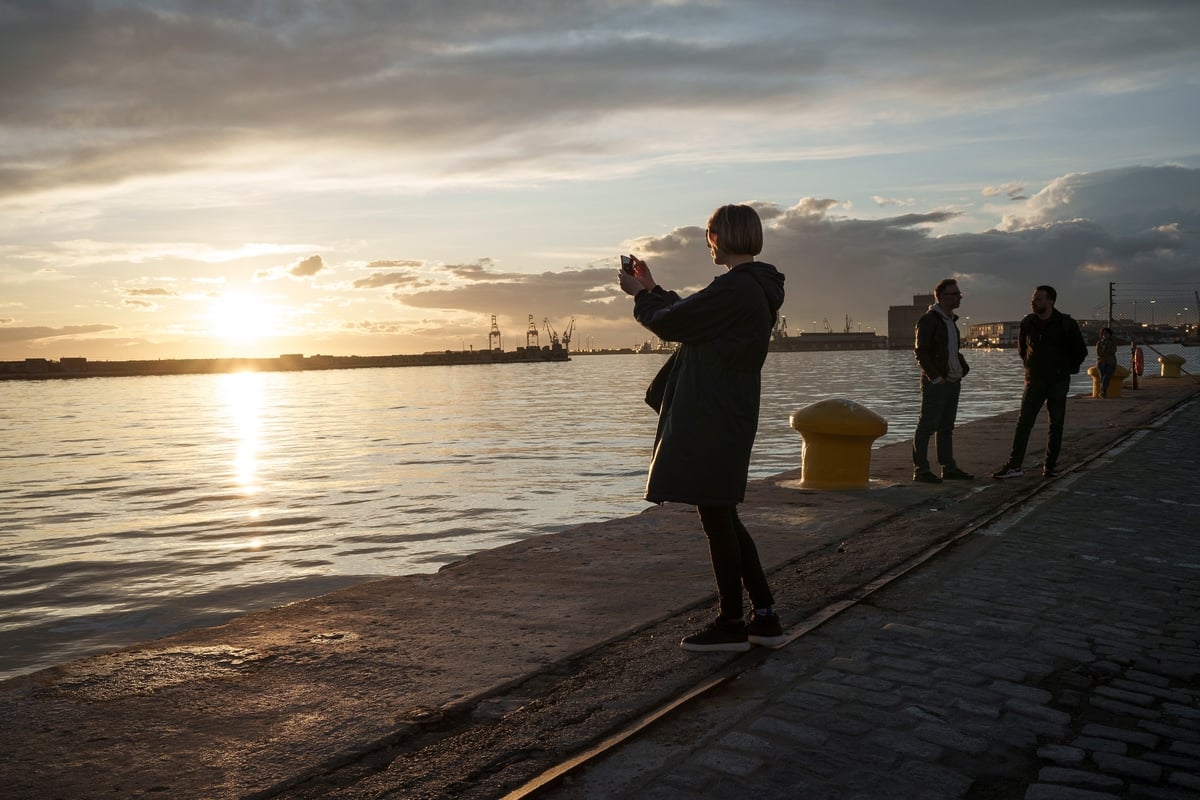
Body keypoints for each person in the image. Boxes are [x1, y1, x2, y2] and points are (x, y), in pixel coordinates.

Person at [618, 204, 786, 653]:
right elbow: (694, 315)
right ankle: (764, 616)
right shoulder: (754, 287)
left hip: (711, 412)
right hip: (728, 409)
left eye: (709, 234)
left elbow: (670, 323)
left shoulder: (736, 289)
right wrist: (653, 287)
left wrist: (639, 296)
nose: (707, 242)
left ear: (722, 237)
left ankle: (732, 622)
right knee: (723, 512)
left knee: (717, 516)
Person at [992, 285, 1088, 480]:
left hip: (1058, 381)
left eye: (1038, 299)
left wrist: (1065, 368)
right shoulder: (1028, 322)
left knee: (1056, 424)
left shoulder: (1066, 323)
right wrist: (1030, 366)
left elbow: (1080, 351)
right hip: (1034, 380)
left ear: (1050, 301)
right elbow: (1022, 349)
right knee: (1024, 423)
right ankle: (1014, 466)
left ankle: (1050, 466)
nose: (1033, 301)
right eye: (1033, 298)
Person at [912, 278, 973, 483]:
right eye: (955, 294)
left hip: (952, 381)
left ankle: (948, 467)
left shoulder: (950, 321)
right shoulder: (930, 320)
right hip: (937, 382)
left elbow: (951, 352)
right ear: (942, 297)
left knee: (946, 427)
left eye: (959, 294)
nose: (959, 297)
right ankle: (920, 470)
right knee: (927, 425)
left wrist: (961, 369)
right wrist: (935, 377)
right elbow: (921, 352)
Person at [1095, 327, 1118, 398]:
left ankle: (1103, 391)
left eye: (1107, 333)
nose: (1105, 334)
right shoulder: (1099, 343)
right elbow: (1098, 353)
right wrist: (1106, 352)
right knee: (1102, 376)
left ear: (1110, 334)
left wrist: (1104, 352)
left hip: (1111, 362)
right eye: (1103, 333)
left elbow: (1113, 351)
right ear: (1101, 334)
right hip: (1101, 362)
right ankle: (1103, 392)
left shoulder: (1113, 342)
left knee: (1106, 376)